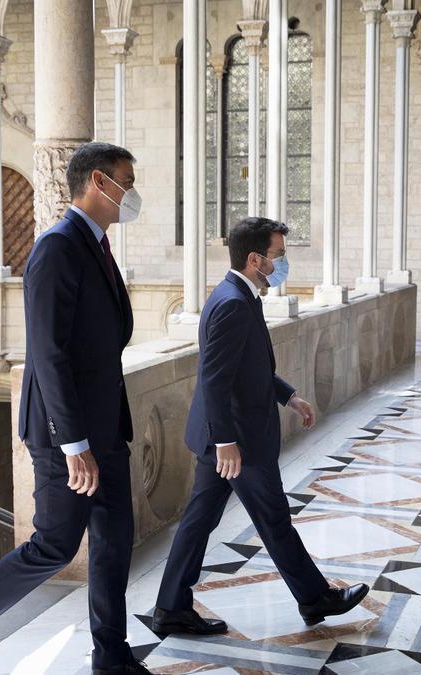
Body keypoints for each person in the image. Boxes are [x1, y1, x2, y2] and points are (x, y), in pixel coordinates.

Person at [0, 142, 150, 675]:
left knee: (116, 540)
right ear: (98, 181)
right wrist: (74, 444)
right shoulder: (58, 248)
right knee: (55, 544)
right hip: (65, 435)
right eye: (126, 180)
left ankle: (111, 656)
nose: (132, 192)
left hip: (105, 427)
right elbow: (47, 354)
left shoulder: (96, 245)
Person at [151, 217, 369, 636]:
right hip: (238, 441)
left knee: (200, 522)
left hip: (225, 437)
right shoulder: (233, 302)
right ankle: (314, 597)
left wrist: (289, 395)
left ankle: (170, 608)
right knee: (273, 519)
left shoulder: (239, 294)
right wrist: (227, 442)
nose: (282, 264)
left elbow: (248, 368)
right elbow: (215, 379)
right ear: (255, 259)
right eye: (279, 256)